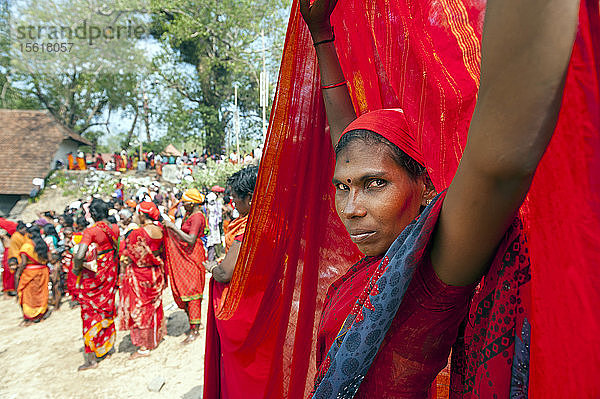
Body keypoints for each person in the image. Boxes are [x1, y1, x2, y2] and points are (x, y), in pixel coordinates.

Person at [296, 0, 580, 398]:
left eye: (375, 184)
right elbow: (348, 141)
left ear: (425, 188)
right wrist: (322, 33)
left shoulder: (431, 274)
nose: (351, 208)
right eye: (342, 187)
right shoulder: (380, 265)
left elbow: (499, 166)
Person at [203, 166, 266, 399]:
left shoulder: (248, 228)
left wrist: (212, 267)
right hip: (267, 302)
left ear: (250, 198)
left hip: (246, 308)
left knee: (244, 370)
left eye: (235, 198)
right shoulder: (274, 220)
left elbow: (225, 274)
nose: (233, 203)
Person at [73, 199, 120, 371]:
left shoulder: (90, 231)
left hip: (93, 279)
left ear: (92, 213)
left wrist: (76, 270)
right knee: (106, 310)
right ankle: (105, 348)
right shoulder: (114, 229)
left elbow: (79, 255)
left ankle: (92, 359)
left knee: (90, 314)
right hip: (109, 275)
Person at [119, 202, 166, 359]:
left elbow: (130, 254)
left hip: (140, 275)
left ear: (141, 215)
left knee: (140, 308)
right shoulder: (160, 230)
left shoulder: (136, 234)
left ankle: (144, 346)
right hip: (156, 272)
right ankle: (154, 337)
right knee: (153, 306)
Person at [162, 188, 207, 344]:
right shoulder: (191, 215)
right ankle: (193, 324)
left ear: (191, 203)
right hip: (189, 255)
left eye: (184, 203)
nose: (183, 206)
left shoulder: (197, 217)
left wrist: (172, 227)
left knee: (193, 292)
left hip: (193, 255)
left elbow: (190, 239)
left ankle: (195, 330)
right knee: (187, 290)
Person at [15, 226, 50, 325]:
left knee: (28, 295)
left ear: (29, 234)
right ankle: (41, 313)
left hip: (30, 273)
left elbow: (23, 263)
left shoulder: (26, 247)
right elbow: (49, 258)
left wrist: (18, 273)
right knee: (41, 293)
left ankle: (31, 316)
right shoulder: (43, 244)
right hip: (42, 271)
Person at [205, 192, 222, 262]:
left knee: (212, 242)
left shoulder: (216, 204)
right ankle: (211, 258)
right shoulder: (208, 206)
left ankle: (211, 258)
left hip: (213, 225)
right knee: (210, 242)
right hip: (211, 225)